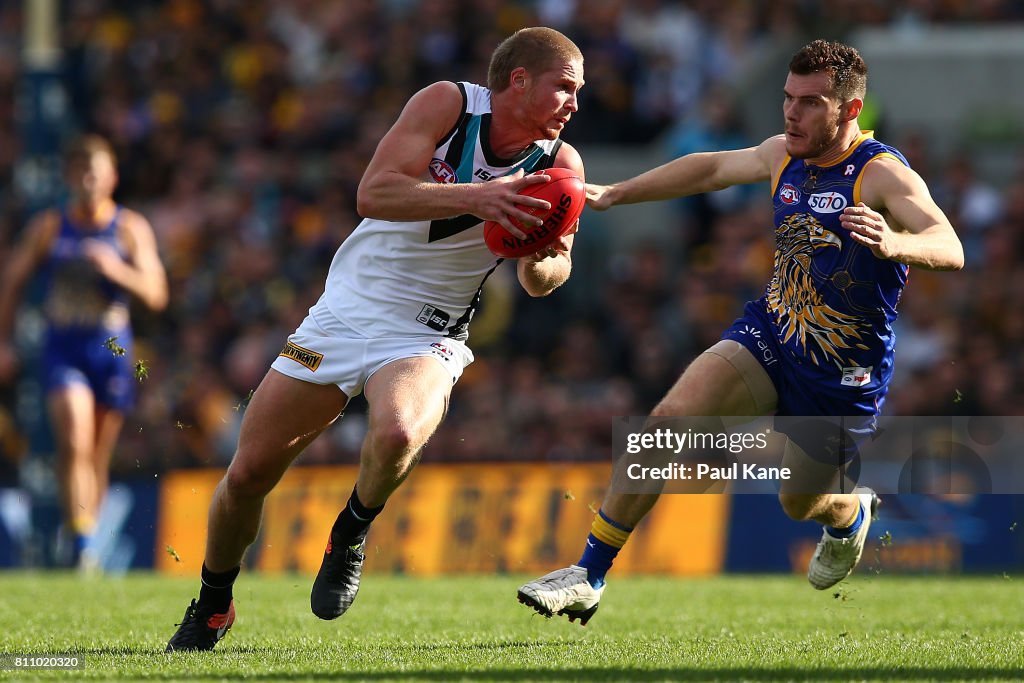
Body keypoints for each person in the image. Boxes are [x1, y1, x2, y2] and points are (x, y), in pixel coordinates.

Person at [164, 26, 586, 652]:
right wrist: (482, 198)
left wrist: (543, 253)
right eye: (565, 88)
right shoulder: (448, 103)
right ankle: (214, 600)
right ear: (519, 80)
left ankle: (352, 530)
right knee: (249, 472)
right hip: (346, 310)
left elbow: (547, 278)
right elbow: (373, 192)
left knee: (398, 431)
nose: (574, 103)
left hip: (429, 330)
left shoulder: (561, 165)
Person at [517, 39, 963, 625]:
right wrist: (620, 191)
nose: (790, 113)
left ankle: (849, 514)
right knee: (665, 427)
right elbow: (711, 168)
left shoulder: (879, 175)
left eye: (809, 103)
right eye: (787, 98)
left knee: (801, 501)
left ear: (849, 110)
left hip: (841, 376)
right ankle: (589, 573)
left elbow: (948, 244)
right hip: (772, 335)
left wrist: (894, 242)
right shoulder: (782, 155)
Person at [0, 134, 168, 569]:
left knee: (95, 451)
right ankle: (81, 546)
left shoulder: (129, 228)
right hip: (64, 345)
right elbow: (13, 281)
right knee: (73, 438)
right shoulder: (50, 227)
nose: (88, 180)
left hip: (110, 347)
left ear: (111, 177)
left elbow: (156, 293)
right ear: (70, 177)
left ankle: (85, 532)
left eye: (96, 171)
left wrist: (116, 270)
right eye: (80, 172)